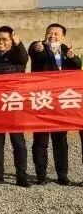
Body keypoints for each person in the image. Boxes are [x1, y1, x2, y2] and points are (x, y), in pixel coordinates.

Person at [28, 23, 81, 185]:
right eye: (49, 33)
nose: (52, 36)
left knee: (60, 141)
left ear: (63, 37)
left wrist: (72, 57)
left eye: (56, 34)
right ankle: (41, 175)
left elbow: (77, 66)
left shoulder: (65, 49)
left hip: (59, 103)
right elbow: (37, 55)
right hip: (42, 100)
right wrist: (39, 48)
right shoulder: (38, 46)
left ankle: (62, 175)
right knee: (40, 140)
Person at [0, 26, 30, 188]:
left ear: (11, 40)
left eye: (5, 39)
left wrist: (18, 43)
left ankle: (21, 176)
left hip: (14, 104)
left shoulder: (16, 55)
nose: (0, 42)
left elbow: (23, 57)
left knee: (18, 142)